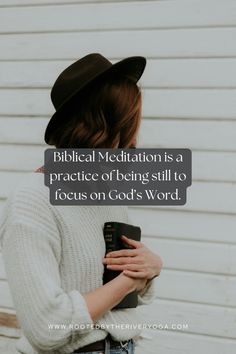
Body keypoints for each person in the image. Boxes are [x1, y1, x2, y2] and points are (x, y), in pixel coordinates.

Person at [0, 53, 163, 354]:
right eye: (130, 122)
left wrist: (149, 269)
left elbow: (122, 298)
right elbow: (47, 328)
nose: (136, 138)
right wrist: (128, 282)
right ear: (101, 126)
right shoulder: (32, 200)